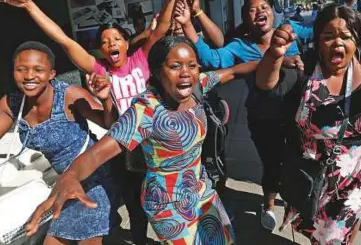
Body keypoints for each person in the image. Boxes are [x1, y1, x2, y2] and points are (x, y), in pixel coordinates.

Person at [0, 0, 200, 244]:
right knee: (134, 208)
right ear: (100, 50)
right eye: (104, 42)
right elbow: (63, 40)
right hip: (122, 150)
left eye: (116, 39)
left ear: (127, 43)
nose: (111, 43)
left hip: (154, 146)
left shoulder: (142, 60)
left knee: (164, 201)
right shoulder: (99, 71)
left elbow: (160, 30)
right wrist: (28, 4)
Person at [177, 0, 361, 231]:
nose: (259, 11)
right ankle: (268, 205)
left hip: (299, 116)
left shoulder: (290, 32)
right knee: (270, 163)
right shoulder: (238, 47)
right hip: (262, 118)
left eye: (264, 6)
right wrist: (189, 24)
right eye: (252, 9)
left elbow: (325, 23)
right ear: (245, 20)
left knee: (297, 161)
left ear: (273, 12)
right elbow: (212, 60)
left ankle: (296, 203)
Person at [25, 36, 253, 244]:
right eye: (175, 66)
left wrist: (275, 58)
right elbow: (99, 152)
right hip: (167, 203)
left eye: (191, 65)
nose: (186, 72)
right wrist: (72, 175)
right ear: (156, 71)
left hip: (200, 189)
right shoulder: (146, 111)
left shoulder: (196, 87)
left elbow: (233, 72)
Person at [0, 41, 120, 245]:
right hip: (65, 183)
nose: (29, 76)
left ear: (52, 74)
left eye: (38, 69)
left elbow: (112, 126)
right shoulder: (12, 103)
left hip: (96, 176)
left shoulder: (69, 95)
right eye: (21, 69)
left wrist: (105, 100)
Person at [255, 4, 361, 244]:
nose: (337, 43)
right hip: (318, 178)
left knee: (346, 231)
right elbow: (266, 84)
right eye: (329, 37)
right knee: (326, 238)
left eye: (346, 37)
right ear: (318, 40)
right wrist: (274, 55)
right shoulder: (305, 68)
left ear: (357, 41)